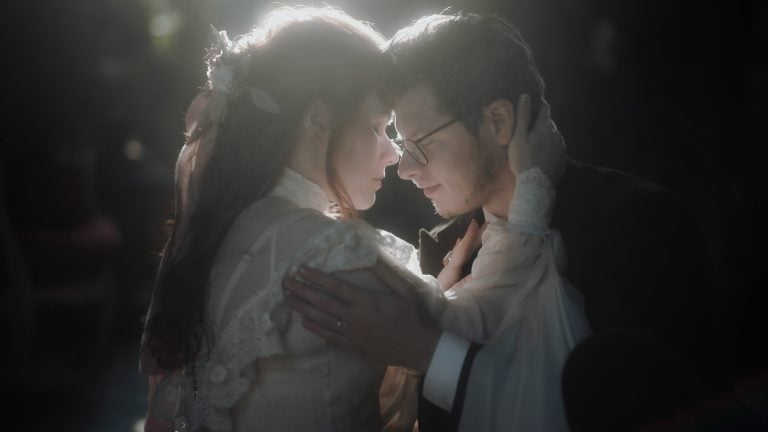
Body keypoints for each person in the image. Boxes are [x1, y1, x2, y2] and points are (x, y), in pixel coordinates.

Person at [283, 11, 737, 432]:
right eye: (401, 146)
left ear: (498, 121)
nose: (405, 170)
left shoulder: (640, 226)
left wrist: (425, 349)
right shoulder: (445, 248)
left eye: (418, 144)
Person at [138, 6, 425, 431]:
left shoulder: (213, 232)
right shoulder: (335, 257)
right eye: (379, 126)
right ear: (317, 119)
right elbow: (477, 349)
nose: (394, 152)